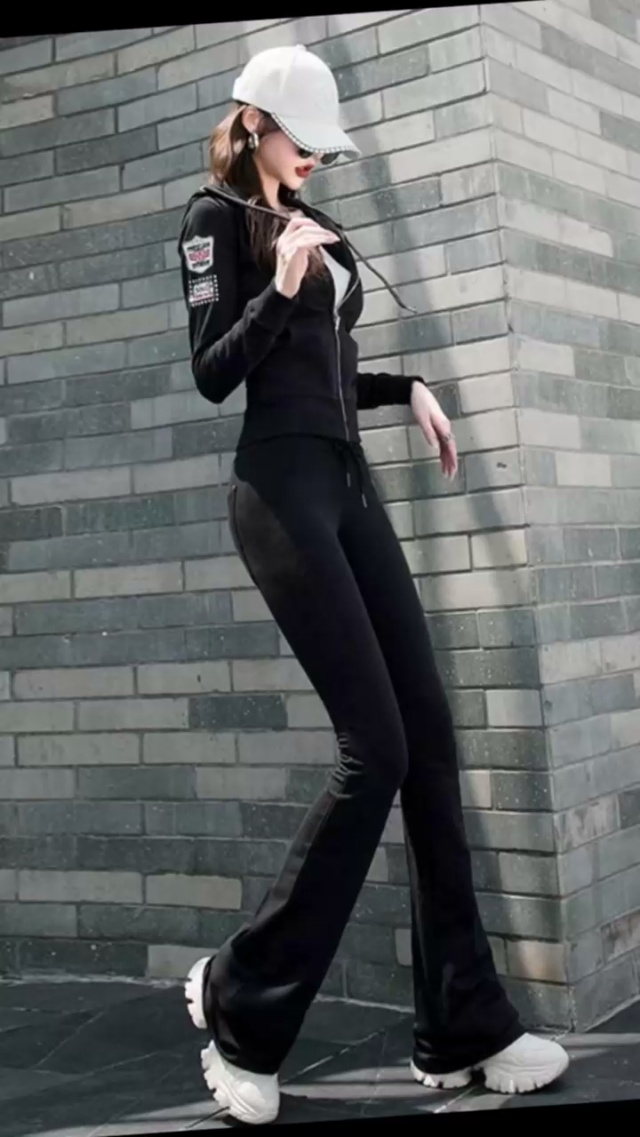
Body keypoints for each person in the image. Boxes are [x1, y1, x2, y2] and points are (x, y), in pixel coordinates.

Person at [177, 43, 569, 1126]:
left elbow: (331, 371)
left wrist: (410, 387)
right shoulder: (214, 221)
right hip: (278, 490)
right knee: (377, 749)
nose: (314, 158)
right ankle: (241, 1000)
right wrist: (280, 286)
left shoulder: (313, 221)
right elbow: (214, 371)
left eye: (322, 146)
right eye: (301, 141)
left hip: (348, 484)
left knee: (429, 738)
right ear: (255, 126)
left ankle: (464, 1026)